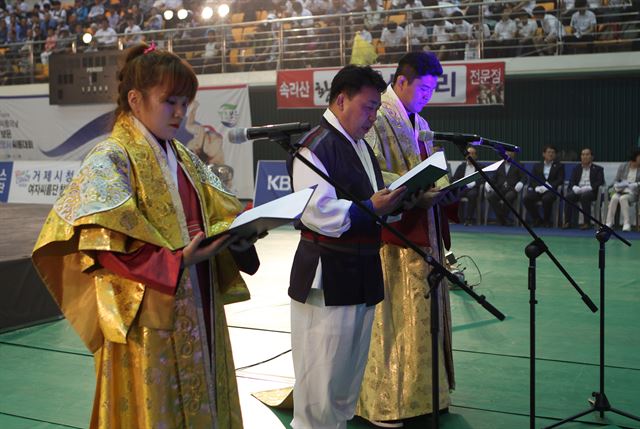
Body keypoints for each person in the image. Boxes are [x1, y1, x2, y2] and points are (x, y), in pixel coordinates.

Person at [32, 44, 260, 429]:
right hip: (150, 310)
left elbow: (217, 210)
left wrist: (239, 230)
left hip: (196, 297)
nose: (180, 112)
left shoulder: (183, 156)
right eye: (169, 101)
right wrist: (176, 261)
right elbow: (101, 239)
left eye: (185, 102)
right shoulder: (110, 157)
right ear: (135, 100)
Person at [288, 65, 407, 429]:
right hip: (329, 273)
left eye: (376, 109)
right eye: (369, 107)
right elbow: (318, 213)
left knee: (346, 380)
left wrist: (403, 199)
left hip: (362, 269)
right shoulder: (315, 147)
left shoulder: (357, 146)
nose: (373, 117)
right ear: (341, 100)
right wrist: (373, 207)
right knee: (320, 380)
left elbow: (369, 200)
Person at [356, 52, 458, 428]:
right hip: (393, 236)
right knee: (394, 317)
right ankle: (385, 400)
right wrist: (414, 192)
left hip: (424, 229)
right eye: (425, 88)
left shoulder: (420, 120)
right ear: (401, 81)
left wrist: (443, 186)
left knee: (423, 314)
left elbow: (432, 164)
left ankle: (424, 395)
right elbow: (371, 169)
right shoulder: (377, 116)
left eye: (433, 89)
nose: (429, 96)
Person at [562, 148, 605, 229]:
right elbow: (572, 181)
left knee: (585, 196)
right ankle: (567, 222)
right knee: (568, 197)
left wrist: (589, 187)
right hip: (578, 190)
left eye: (587, 154)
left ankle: (586, 223)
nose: (585, 156)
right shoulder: (576, 168)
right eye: (583, 154)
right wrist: (574, 187)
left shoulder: (598, 169)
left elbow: (600, 181)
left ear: (592, 157)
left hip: (591, 192)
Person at [523, 145, 564, 227]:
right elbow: (532, 180)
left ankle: (546, 221)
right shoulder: (537, 166)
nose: (551, 154)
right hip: (539, 190)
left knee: (546, 199)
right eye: (549, 152)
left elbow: (560, 180)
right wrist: (537, 187)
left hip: (551, 191)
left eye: (553, 152)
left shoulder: (559, 166)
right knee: (527, 198)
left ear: (555, 155)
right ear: (544, 154)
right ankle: (537, 219)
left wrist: (549, 186)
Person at [485, 150, 527, 226]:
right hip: (500, 188)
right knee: (490, 196)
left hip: (512, 189)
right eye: (506, 152)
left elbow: (524, 177)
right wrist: (488, 182)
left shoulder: (519, 164)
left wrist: (521, 183)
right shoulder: (498, 165)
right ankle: (504, 218)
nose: (508, 154)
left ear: (514, 154)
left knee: (508, 197)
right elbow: (494, 178)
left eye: (510, 152)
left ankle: (501, 219)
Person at [605, 149, 640, 231]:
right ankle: (608, 222)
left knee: (623, 198)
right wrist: (615, 185)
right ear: (635, 157)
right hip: (621, 190)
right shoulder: (623, 166)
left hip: (633, 193)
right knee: (614, 198)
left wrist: (636, 184)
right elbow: (616, 180)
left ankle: (626, 223)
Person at [453, 146, 483, 225]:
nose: (470, 155)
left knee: (472, 195)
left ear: (475, 156)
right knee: (455, 194)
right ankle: (458, 218)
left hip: (473, 188)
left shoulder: (480, 166)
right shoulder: (461, 166)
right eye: (469, 153)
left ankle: (469, 219)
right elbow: (455, 178)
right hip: (463, 187)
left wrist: (475, 183)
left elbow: (483, 178)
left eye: (472, 154)